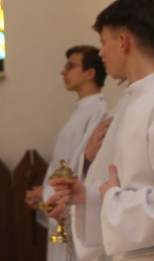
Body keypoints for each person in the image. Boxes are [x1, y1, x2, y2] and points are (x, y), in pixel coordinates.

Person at [49, 0, 154, 260]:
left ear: (123, 42)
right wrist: (90, 196)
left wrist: (112, 199)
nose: (101, 53)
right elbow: (129, 188)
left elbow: (122, 196)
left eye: (104, 42)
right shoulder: (134, 102)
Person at [24, 45, 107, 261]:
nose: (63, 71)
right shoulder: (82, 112)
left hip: (76, 206)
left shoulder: (98, 113)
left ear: (90, 73)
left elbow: (85, 164)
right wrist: (45, 196)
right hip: (62, 202)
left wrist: (47, 192)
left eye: (71, 66)